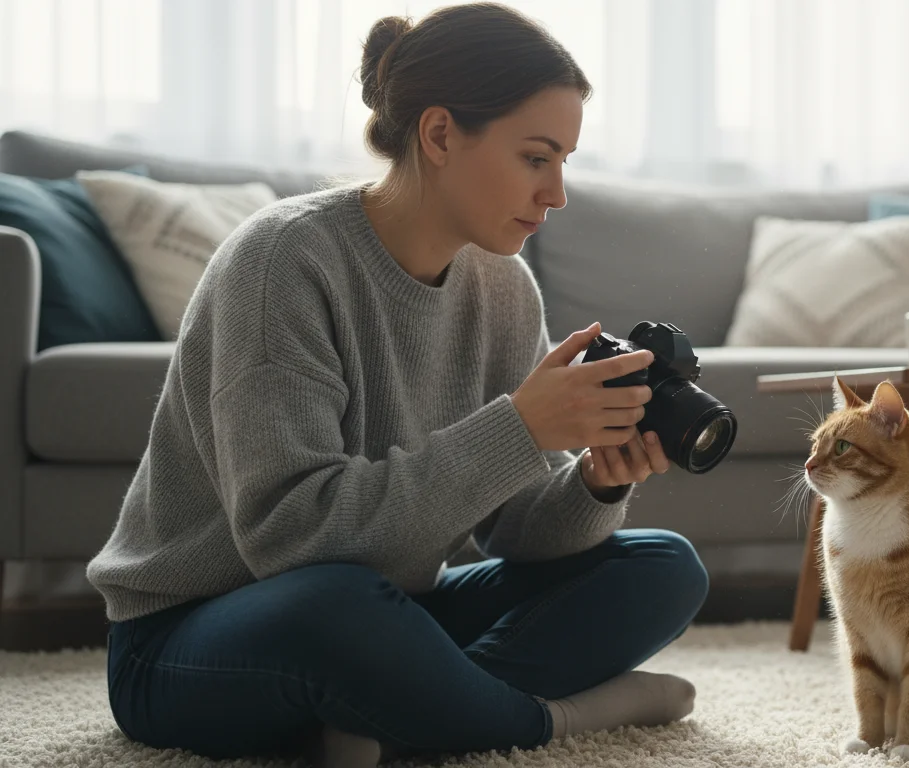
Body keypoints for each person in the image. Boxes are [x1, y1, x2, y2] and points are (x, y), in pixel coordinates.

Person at [85, 4, 709, 765]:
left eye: (565, 162)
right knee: (338, 608)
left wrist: (593, 485)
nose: (557, 195)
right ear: (441, 134)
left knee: (661, 566)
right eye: (536, 157)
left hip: (389, 615)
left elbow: (514, 536)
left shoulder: (504, 287)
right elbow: (291, 540)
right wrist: (518, 428)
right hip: (193, 638)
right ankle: (545, 721)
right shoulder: (284, 260)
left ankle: (391, 713)